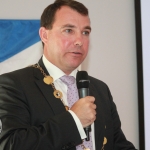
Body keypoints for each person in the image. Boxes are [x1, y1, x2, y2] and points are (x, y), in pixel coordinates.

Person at [0, 0, 137, 150]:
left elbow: (118, 145)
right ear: (44, 35)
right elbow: (12, 144)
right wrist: (74, 121)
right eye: (68, 30)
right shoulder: (13, 84)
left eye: (85, 32)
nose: (79, 41)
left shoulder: (100, 88)